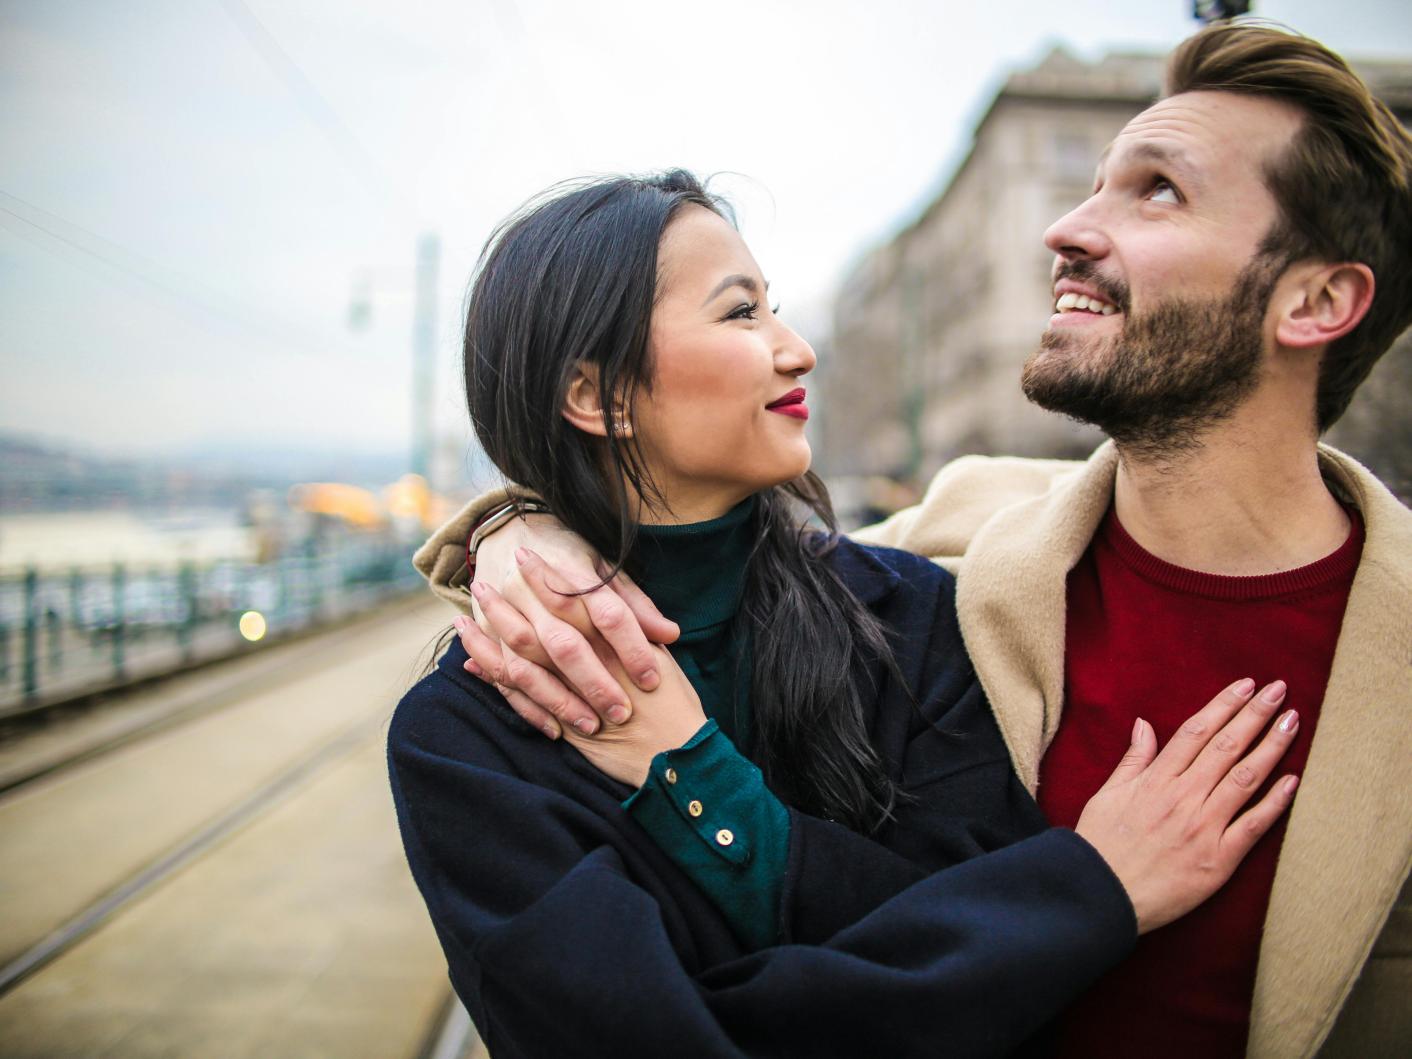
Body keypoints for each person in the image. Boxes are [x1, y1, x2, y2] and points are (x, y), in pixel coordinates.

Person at [456, 21, 1412, 1059]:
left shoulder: (909, 604)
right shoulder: (955, 552)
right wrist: (520, 524)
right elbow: (695, 551)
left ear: (1316, 301)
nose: (1064, 229)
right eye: (1090, 182)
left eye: (1157, 191)